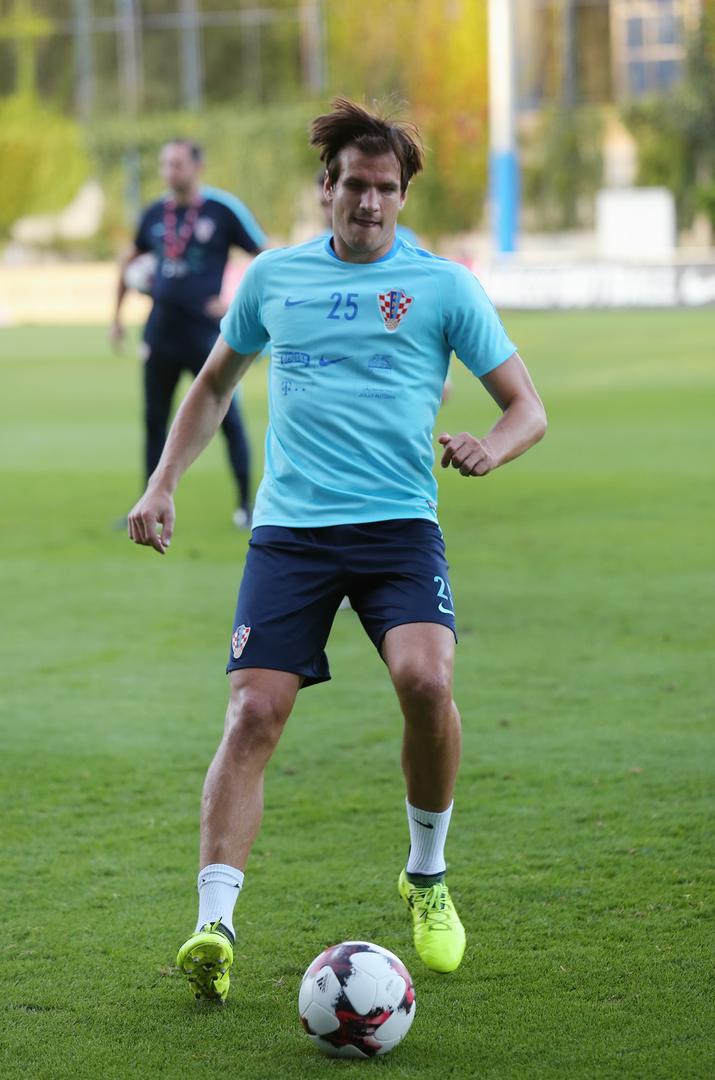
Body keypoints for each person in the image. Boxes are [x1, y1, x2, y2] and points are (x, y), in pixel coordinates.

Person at [127, 98, 547, 1003]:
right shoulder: (275, 278)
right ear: (326, 187)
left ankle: (425, 875)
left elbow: (527, 408)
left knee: (426, 681)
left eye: (385, 188)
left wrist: (490, 445)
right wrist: (162, 484)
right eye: (354, 184)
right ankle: (214, 927)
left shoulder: (442, 287)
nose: (369, 202)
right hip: (290, 535)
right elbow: (212, 388)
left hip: (398, 527)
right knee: (253, 714)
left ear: (403, 195)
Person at [111, 138, 266, 527]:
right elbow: (129, 262)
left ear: (197, 166)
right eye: (165, 164)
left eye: (177, 164)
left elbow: (265, 258)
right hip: (160, 333)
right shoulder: (153, 214)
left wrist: (234, 305)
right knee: (154, 421)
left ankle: (246, 506)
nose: (169, 171)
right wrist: (116, 317)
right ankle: (146, 504)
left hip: (207, 336)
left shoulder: (222, 210)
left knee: (228, 418)